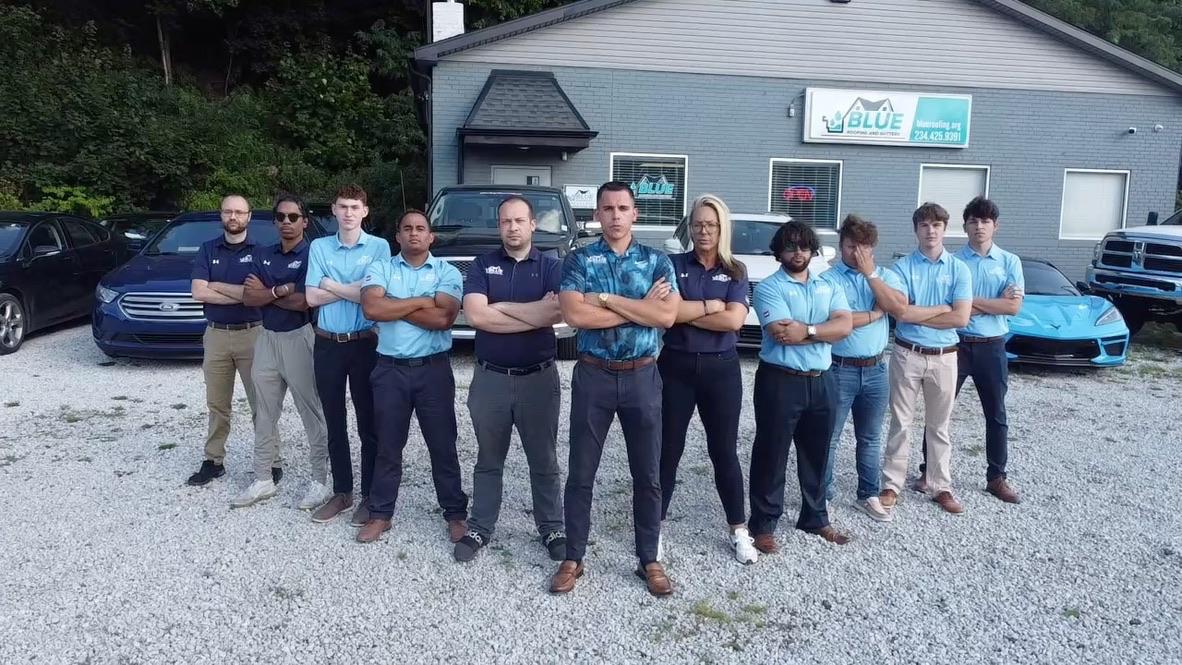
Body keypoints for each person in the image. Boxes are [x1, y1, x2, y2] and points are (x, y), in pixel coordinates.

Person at [549, 181, 681, 597]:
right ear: (597, 215)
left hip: (643, 376)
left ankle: (649, 558)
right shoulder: (578, 260)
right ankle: (573, 556)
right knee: (581, 472)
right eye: (608, 208)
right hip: (595, 376)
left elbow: (667, 317)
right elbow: (575, 315)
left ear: (634, 213)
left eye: (623, 208)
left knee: (648, 473)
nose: (615, 215)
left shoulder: (657, 261)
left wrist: (604, 298)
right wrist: (641, 307)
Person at [454, 195, 566, 563]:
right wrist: (533, 313)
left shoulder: (551, 267)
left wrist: (500, 308)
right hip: (491, 380)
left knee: (544, 459)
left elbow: (557, 312)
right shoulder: (482, 265)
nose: (512, 227)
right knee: (488, 459)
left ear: (533, 224)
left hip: (539, 379)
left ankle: (552, 527)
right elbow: (476, 317)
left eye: (519, 221)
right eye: (506, 221)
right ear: (499, 226)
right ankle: (480, 527)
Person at [355, 210, 468, 545]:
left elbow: (444, 318)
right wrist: (421, 301)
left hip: (433, 371)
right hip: (389, 371)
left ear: (431, 237)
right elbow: (372, 309)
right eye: (407, 228)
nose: (414, 233)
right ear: (398, 236)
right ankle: (380, 514)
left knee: (443, 445)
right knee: (387, 446)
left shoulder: (447, 271)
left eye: (421, 228)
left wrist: (394, 304)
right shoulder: (381, 268)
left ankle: (455, 514)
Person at [657, 194, 758, 564]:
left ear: (721, 228)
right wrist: (708, 307)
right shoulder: (672, 264)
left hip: (721, 370)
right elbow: (665, 314)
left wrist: (686, 312)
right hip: (675, 367)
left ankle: (739, 530)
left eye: (711, 225)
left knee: (724, 451)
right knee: (668, 450)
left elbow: (733, 320)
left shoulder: (736, 270)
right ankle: (654, 529)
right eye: (698, 224)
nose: (704, 231)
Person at [748, 221, 853, 553]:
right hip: (780, 380)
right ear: (779, 252)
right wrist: (824, 330)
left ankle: (815, 517)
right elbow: (782, 333)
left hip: (822, 380)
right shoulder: (769, 288)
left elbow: (845, 326)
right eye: (791, 246)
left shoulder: (828, 285)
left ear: (813, 251)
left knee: (818, 453)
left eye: (805, 246)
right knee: (772, 452)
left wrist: (807, 330)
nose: (798, 252)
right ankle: (763, 524)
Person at [919, 197, 1024, 504]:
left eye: (985, 221)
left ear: (995, 226)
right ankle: (929, 472)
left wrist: (968, 303)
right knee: (939, 411)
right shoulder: (953, 262)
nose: (979, 227)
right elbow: (948, 308)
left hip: (993, 346)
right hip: (957, 345)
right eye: (973, 221)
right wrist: (992, 302)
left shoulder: (1009, 262)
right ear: (964, 226)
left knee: (996, 413)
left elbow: (1013, 307)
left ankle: (996, 477)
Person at [230, 194, 329, 509]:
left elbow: (303, 301)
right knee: (264, 412)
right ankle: (263, 478)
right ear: (274, 221)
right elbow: (249, 298)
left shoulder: (312, 254)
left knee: (310, 411)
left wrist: (266, 292)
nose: (287, 222)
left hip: (298, 337)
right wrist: (279, 289)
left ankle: (320, 480)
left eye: (293, 217)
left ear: (305, 221)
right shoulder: (264, 253)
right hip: (266, 338)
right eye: (281, 217)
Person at [304, 184, 392, 525]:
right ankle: (342, 491)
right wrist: (353, 289)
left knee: (368, 421)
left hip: (364, 343)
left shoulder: (379, 247)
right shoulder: (319, 246)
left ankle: (369, 495)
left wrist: (329, 284)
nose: (349, 213)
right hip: (327, 343)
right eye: (343, 206)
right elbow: (310, 298)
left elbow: (374, 297)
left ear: (365, 211)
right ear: (334, 210)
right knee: (334, 420)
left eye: (355, 207)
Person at [878, 203, 973, 516]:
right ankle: (892, 484)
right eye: (924, 225)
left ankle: (939, 485)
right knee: (901, 422)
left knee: (939, 425)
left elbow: (960, 317)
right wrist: (941, 308)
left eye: (936, 225)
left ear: (945, 229)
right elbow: (901, 313)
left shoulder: (959, 269)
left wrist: (920, 313)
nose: (930, 231)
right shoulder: (902, 268)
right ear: (916, 229)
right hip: (908, 353)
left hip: (945, 357)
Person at [817, 215, 907, 522]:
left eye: (864, 247)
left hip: (876, 369)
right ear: (840, 245)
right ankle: (822, 496)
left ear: (873, 248)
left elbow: (898, 308)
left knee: (870, 438)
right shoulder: (828, 279)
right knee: (830, 436)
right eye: (851, 246)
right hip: (839, 368)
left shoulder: (886, 276)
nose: (857, 253)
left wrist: (870, 275)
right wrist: (873, 315)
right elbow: (833, 321)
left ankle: (868, 494)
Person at [186, 195, 277, 487]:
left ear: (249, 216)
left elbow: (257, 296)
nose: (233, 216)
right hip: (216, 335)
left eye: (239, 212)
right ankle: (213, 460)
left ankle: (271, 460)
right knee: (217, 404)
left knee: (261, 403)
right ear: (221, 215)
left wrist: (217, 285)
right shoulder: (207, 249)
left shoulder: (261, 252)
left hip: (253, 334)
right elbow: (198, 291)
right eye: (228, 211)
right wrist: (239, 293)